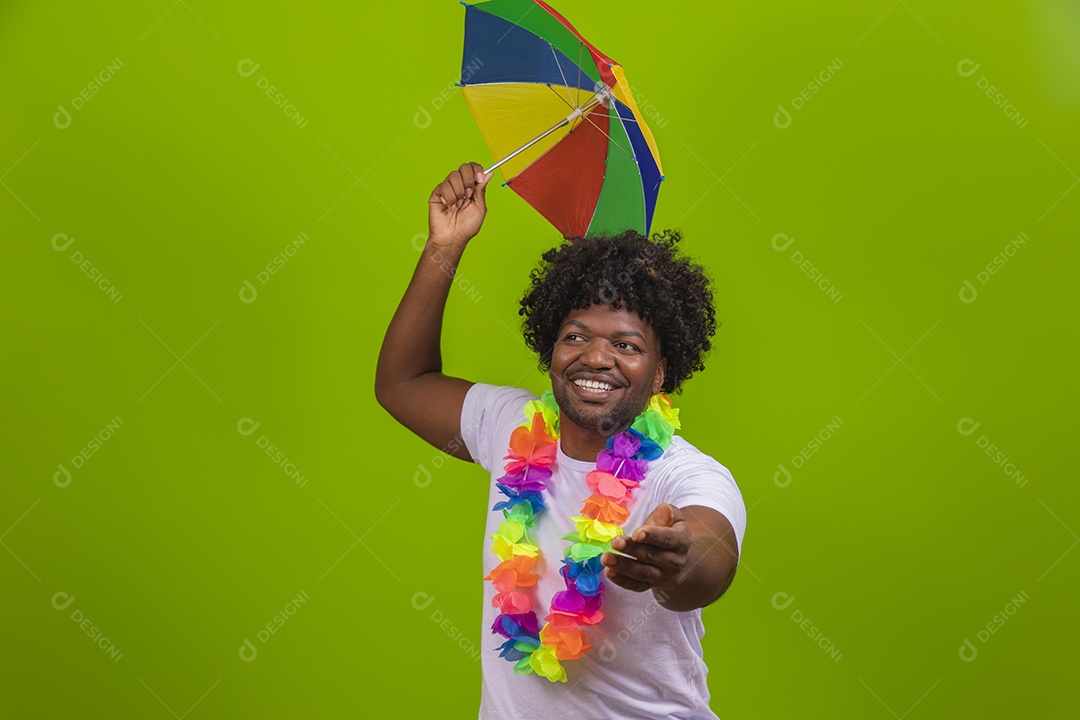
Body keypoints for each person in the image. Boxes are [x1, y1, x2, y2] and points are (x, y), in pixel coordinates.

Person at [375, 162, 747, 719]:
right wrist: (444, 245)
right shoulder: (510, 426)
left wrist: (676, 562)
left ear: (662, 371)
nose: (596, 357)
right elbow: (402, 384)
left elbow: (709, 557)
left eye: (626, 345)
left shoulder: (686, 475)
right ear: (551, 349)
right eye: (576, 336)